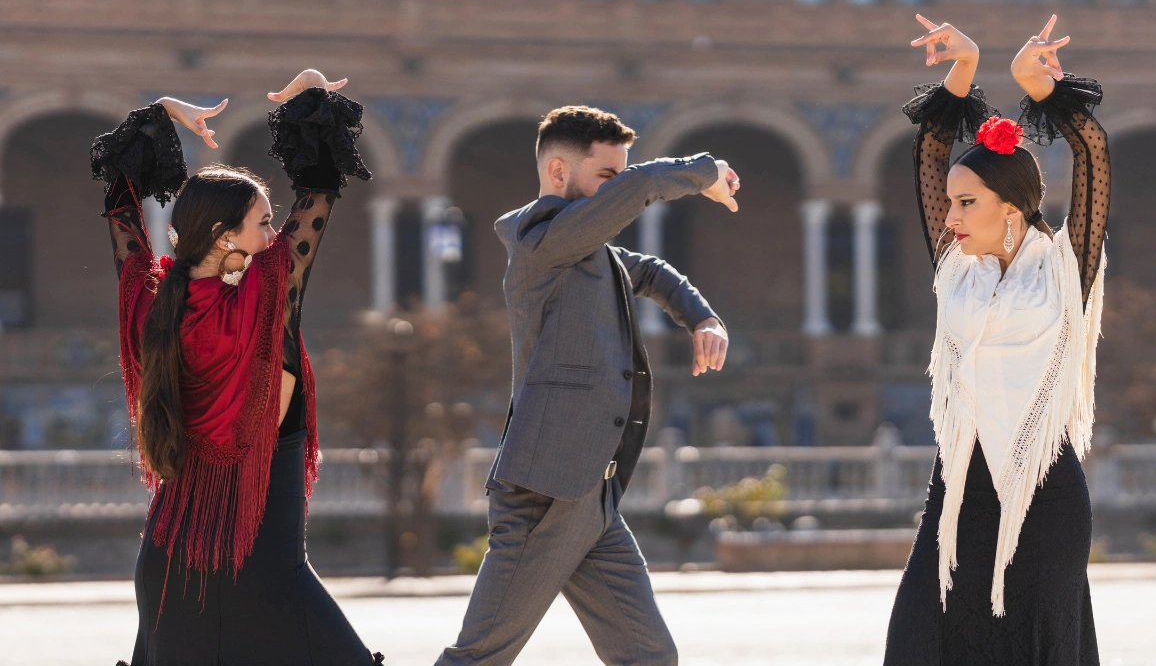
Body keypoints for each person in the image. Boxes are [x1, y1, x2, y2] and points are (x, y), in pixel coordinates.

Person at [435, 106, 741, 666]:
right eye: (607, 178)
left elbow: (649, 271)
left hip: (593, 498)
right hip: (545, 495)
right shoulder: (541, 246)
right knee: (478, 659)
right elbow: (643, 187)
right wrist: (704, 173)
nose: (617, 191)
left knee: (649, 657)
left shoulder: (592, 254)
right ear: (558, 173)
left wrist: (702, 319)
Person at [96, 70, 383, 665]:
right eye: (261, 222)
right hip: (266, 575)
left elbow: (122, 208)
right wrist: (308, 98)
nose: (274, 232)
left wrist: (158, 116)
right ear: (226, 237)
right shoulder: (269, 296)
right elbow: (321, 193)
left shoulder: (146, 301)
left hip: (173, 568)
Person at [883, 14, 1109, 665]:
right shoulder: (956, 270)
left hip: (1044, 498)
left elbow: (1092, 156)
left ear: (1010, 208)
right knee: (921, 644)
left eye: (966, 203)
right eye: (949, 203)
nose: (950, 216)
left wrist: (1039, 89)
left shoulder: (1067, 268)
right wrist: (963, 68)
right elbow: (930, 150)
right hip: (957, 492)